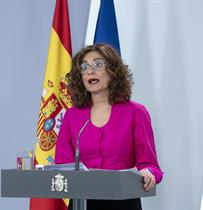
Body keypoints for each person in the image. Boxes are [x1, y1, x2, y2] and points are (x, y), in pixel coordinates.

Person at [55, 44, 163, 210]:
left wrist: (149, 174)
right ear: (80, 77)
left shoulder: (136, 112)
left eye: (98, 64)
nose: (90, 71)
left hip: (123, 203)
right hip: (82, 203)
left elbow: (150, 165)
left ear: (113, 72)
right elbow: (63, 166)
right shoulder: (72, 116)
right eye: (84, 67)